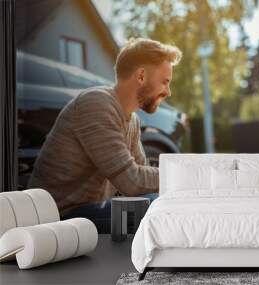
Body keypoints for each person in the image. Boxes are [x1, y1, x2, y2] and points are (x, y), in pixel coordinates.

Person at [28, 38, 182, 231]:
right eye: (165, 82)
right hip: (60, 216)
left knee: (163, 202)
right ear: (141, 76)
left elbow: (142, 176)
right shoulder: (96, 104)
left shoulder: (132, 120)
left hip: (88, 211)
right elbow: (132, 182)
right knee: (157, 207)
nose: (168, 92)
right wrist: (183, 176)